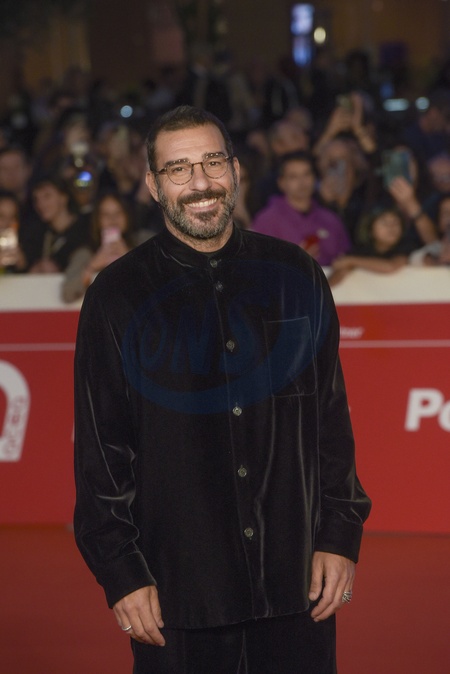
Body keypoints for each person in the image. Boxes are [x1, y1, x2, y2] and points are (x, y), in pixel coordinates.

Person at [73, 105, 371, 674]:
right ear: (153, 184)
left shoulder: (298, 277)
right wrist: (122, 573)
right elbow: (101, 450)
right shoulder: (115, 296)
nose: (200, 182)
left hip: (295, 587)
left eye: (212, 162)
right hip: (178, 595)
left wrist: (339, 536)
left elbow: (331, 423)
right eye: (179, 168)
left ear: (235, 171)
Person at [251, 151, 350, 266]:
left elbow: (346, 258)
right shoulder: (266, 221)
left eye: (306, 174)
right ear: (281, 183)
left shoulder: (331, 219)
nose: (302, 182)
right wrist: (295, 260)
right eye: (293, 177)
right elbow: (257, 266)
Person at [61, 192, 133, 303]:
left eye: (118, 213)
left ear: (127, 216)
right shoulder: (84, 253)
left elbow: (155, 285)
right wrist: (92, 266)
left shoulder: (143, 243)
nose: (113, 219)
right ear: (97, 220)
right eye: (106, 215)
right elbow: (68, 294)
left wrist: (128, 257)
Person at [328, 207, 413, 286]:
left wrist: (351, 261)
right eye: (384, 223)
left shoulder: (406, 247)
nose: (391, 227)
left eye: (396, 223)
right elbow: (340, 271)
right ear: (370, 229)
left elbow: (390, 266)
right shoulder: (360, 251)